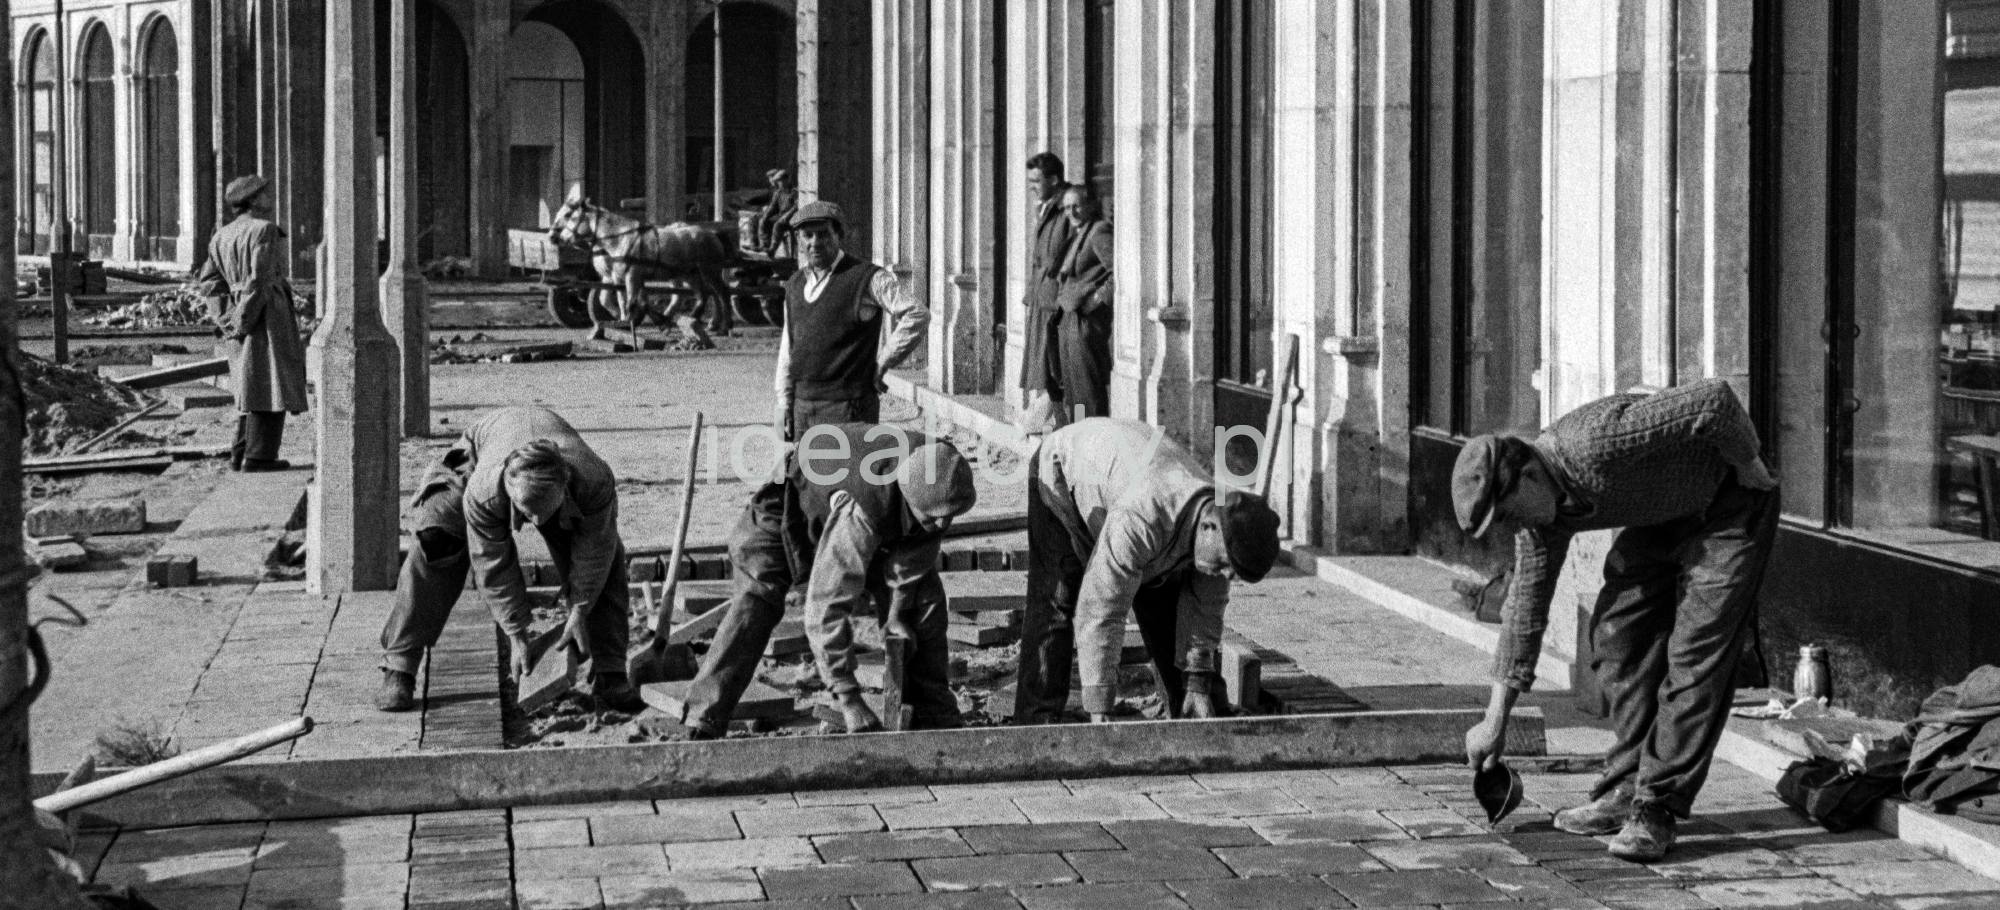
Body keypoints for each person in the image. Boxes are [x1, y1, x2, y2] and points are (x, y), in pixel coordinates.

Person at [1456, 379, 1780, 863]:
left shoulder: (1595, 443)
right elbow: (1524, 615)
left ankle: (1657, 806)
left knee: (1695, 659)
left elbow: (1716, 400)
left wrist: (1749, 463)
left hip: (1732, 505)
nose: (1514, 529)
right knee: (1617, 632)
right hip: (1664, 514)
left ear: (1527, 477)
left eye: (1506, 516)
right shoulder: (1543, 523)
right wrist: (1494, 720)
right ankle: (1627, 785)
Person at [676, 426, 974, 737]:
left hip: (869, 510)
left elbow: (914, 555)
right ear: (908, 497)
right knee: (757, 603)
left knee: (924, 600)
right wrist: (848, 699)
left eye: (950, 515)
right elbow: (824, 611)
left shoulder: (942, 474)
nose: (943, 524)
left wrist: (898, 613)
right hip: (786, 514)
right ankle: (704, 717)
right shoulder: (862, 515)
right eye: (934, 516)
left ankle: (936, 719)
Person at [1015, 417, 1282, 724]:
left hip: (1123, 486)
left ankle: (1191, 713)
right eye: (1223, 564)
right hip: (1061, 470)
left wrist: (1198, 685)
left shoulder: (1221, 532)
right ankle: (1036, 722)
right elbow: (1102, 607)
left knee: (1163, 604)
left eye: (1229, 572)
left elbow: (1203, 612)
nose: (1222, 573)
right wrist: (1100, 707)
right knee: (1057, 599)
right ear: (1208, 526)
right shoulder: (1141, 518)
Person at [376, 406, 641, 713]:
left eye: (545, 512)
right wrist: (517, 634)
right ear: (509, 489)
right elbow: (492, 564)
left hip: (563, 485)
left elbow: (594, 553)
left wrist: (579, 612)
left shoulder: (593, 481)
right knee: (438, 540)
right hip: (481, 454)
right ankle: (400, 666)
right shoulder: (483, 490)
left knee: (606, 557)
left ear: (565, 482)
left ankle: (611, 672)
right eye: (529, 513)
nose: (538, 521)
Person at [772, 201, 928, 441]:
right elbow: (788, 348)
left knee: (848, 478)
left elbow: (916, 313)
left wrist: (884, 362)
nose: (814, 242)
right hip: (803, 407)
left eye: (823, 234)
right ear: (799, 240)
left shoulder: (867, 278)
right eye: (807, 235)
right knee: (805, 477)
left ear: (839, 235)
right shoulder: (795, 284)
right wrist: (784, 403)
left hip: (848, 408)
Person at [194, 175, 307, 472]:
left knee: (248, 386)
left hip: (239, 316)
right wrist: (243, 320)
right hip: (265, 315)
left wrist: (227, 317)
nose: (270, 197)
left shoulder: (221, 235)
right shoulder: (263, 230)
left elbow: (208, 283)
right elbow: (258, 281)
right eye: (264, 193)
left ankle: (240, 452)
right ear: (253, 200)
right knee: (271, 384)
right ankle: (259, 458)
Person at [1019, 152, 1074, 434]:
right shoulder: (1046, 207)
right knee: (1049, 374)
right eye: (1029, 181)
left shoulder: (1067, 209)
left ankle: (1068, 432)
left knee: (1059, 373)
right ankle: (1061, 429)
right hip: (1043, 300)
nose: (1031, 186)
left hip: (1057, 305)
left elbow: (1069, 260)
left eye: (1036, 181)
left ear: (1054, 179)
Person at [1051, 186, 1114, 420]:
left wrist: (1096, 300)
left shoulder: (1099, 231)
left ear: (1090, 205)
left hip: (1085, 319)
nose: (1071, 212)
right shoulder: (1078, 232)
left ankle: (1096, 445)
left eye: (1076, 205)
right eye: (1067, 207)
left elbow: (1118, 273)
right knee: (1073, 388)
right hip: (1068, 316)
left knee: (1088, 388)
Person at [754, 168, 798, 255]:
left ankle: (773, 249)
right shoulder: (778, 192)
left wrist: (786, 216)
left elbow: (796, 207)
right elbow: (772, 207)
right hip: (781, 216)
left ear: (787, 179)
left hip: (792, 218)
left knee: (778, 225)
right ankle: (764, 246)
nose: (779, 183)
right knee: (763, 222)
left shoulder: (795, 192)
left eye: (781, 181)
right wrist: (765, 216)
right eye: (778, 181)